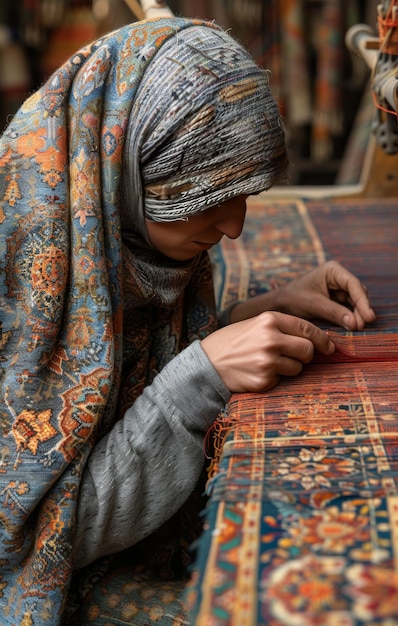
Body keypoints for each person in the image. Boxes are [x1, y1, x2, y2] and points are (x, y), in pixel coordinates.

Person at [0, 15, 375, 625]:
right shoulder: (20, 275)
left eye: (246, 195)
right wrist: (200, 377)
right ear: (129, 169)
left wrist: (244, 317)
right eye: (210, 201)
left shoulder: (106, 226)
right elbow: (30, 540)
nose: (235, 228)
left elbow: (104, 388)